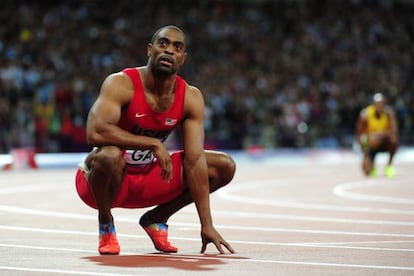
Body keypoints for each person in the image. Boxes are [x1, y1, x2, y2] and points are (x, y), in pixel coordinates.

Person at [75, 25, 236, 255]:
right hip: (103, 182)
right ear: (150, 50)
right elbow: (95, 133)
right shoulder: (121, 83)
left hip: (147, 178)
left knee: (223, 166)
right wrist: (152, 143)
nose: (169, 50)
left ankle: (157, 218)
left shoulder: (190, 97)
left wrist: (206, 224)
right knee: (109, 155)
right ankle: (106, 223)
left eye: (177, 47)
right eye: (163, 43)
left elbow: (194, 160)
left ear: (183, 58)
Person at [355, 92, 398, 177]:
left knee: (393, 140)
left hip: (383, 142)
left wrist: (379, 135)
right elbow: (359, 134)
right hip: (371, 145)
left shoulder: (388, 113)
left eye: (381, 104)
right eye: (377, 104)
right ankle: (372, 164)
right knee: (367, 172)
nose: (379, 106)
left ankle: (389, 166)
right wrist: (364, 155)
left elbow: (394, 131)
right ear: (373, 104)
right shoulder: (365, 114)